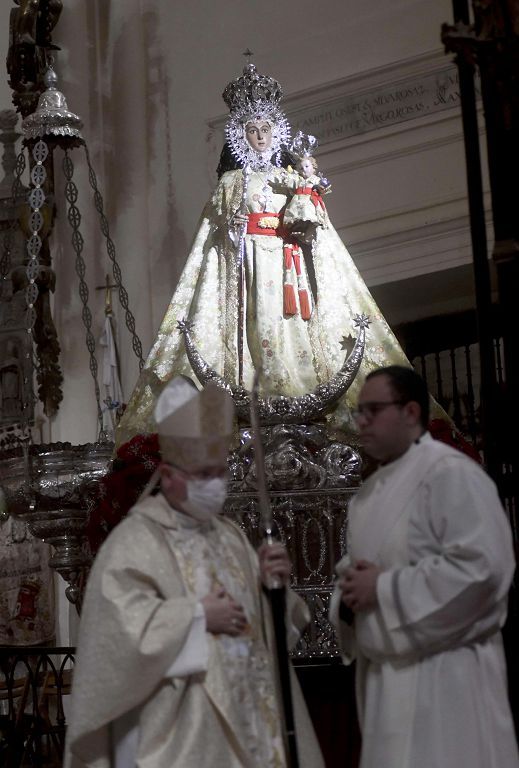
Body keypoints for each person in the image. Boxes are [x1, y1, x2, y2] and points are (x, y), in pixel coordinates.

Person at [115, 63, 414, 447]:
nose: (259, 136)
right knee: (257, 319)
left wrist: (305, 204)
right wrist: (234, 226)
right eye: (251, 130)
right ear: (241, 135)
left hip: (289, 265)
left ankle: (300, 385)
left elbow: (314, 220)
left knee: (291, 324)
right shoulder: (231, 182)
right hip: (248, 264)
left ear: (276, 133)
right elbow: (215, 228)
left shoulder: (291, 179)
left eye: (265, 129)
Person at [65, 376, 324, 768]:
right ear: (169, 477)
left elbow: (269, 637)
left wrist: (273, 591)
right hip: (183, 728)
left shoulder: (231, 537)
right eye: (203, 476)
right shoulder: (133, 544)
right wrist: (198, 616)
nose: (215, 487)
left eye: (219, 473)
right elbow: (116, 641)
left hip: (254, 720)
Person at [329, 364, 519, 768]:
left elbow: (483, 570)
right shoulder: (366, 495)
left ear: (411, 412)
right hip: (386, 684)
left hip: (448, 678)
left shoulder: (451, 474)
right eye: (358, 411)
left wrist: (382, 589)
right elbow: (357, 571)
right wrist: (345, 601)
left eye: (373, 410)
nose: (360, 421)